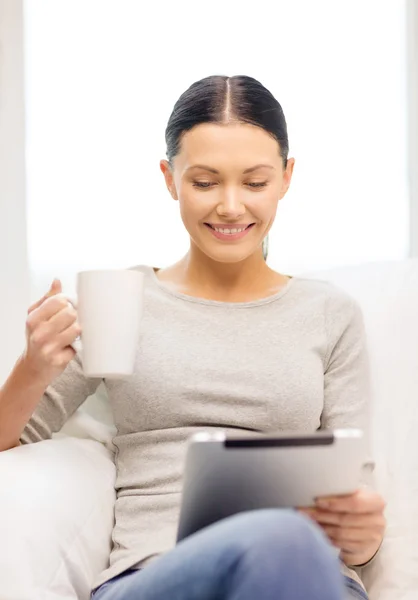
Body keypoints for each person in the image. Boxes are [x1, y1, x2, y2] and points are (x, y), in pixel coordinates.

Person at [0, 75, 386, 600]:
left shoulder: (328, 313)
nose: (230, 207)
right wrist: (33, 367)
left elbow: (355, 507)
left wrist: (360, 537)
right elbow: (8, 443)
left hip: (307, 577)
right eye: (205, 182)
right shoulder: (121, 299)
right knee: (280, 536)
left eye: (255, 183)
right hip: (158, 575)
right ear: (169, 177)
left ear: (287, 177)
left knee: (286, 542)